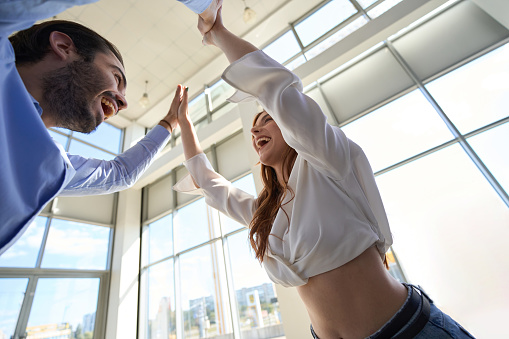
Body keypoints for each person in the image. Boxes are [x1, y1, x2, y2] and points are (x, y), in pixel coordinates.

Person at [172, 7, 476, 339]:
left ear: (288, 126)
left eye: (266, 121)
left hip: (407, 332)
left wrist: (217, 33)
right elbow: (211, 184)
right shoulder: (266, 212)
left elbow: (277, 90)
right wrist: (185, 124)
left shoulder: (325, 159)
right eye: (253, 131)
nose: (256, 132)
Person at [0, 0, 215, 255]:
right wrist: (206, 4)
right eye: (116, 77)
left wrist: (170, 122)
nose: (123, 103)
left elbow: (120, 174)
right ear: (63, 46)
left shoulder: (51, 167)